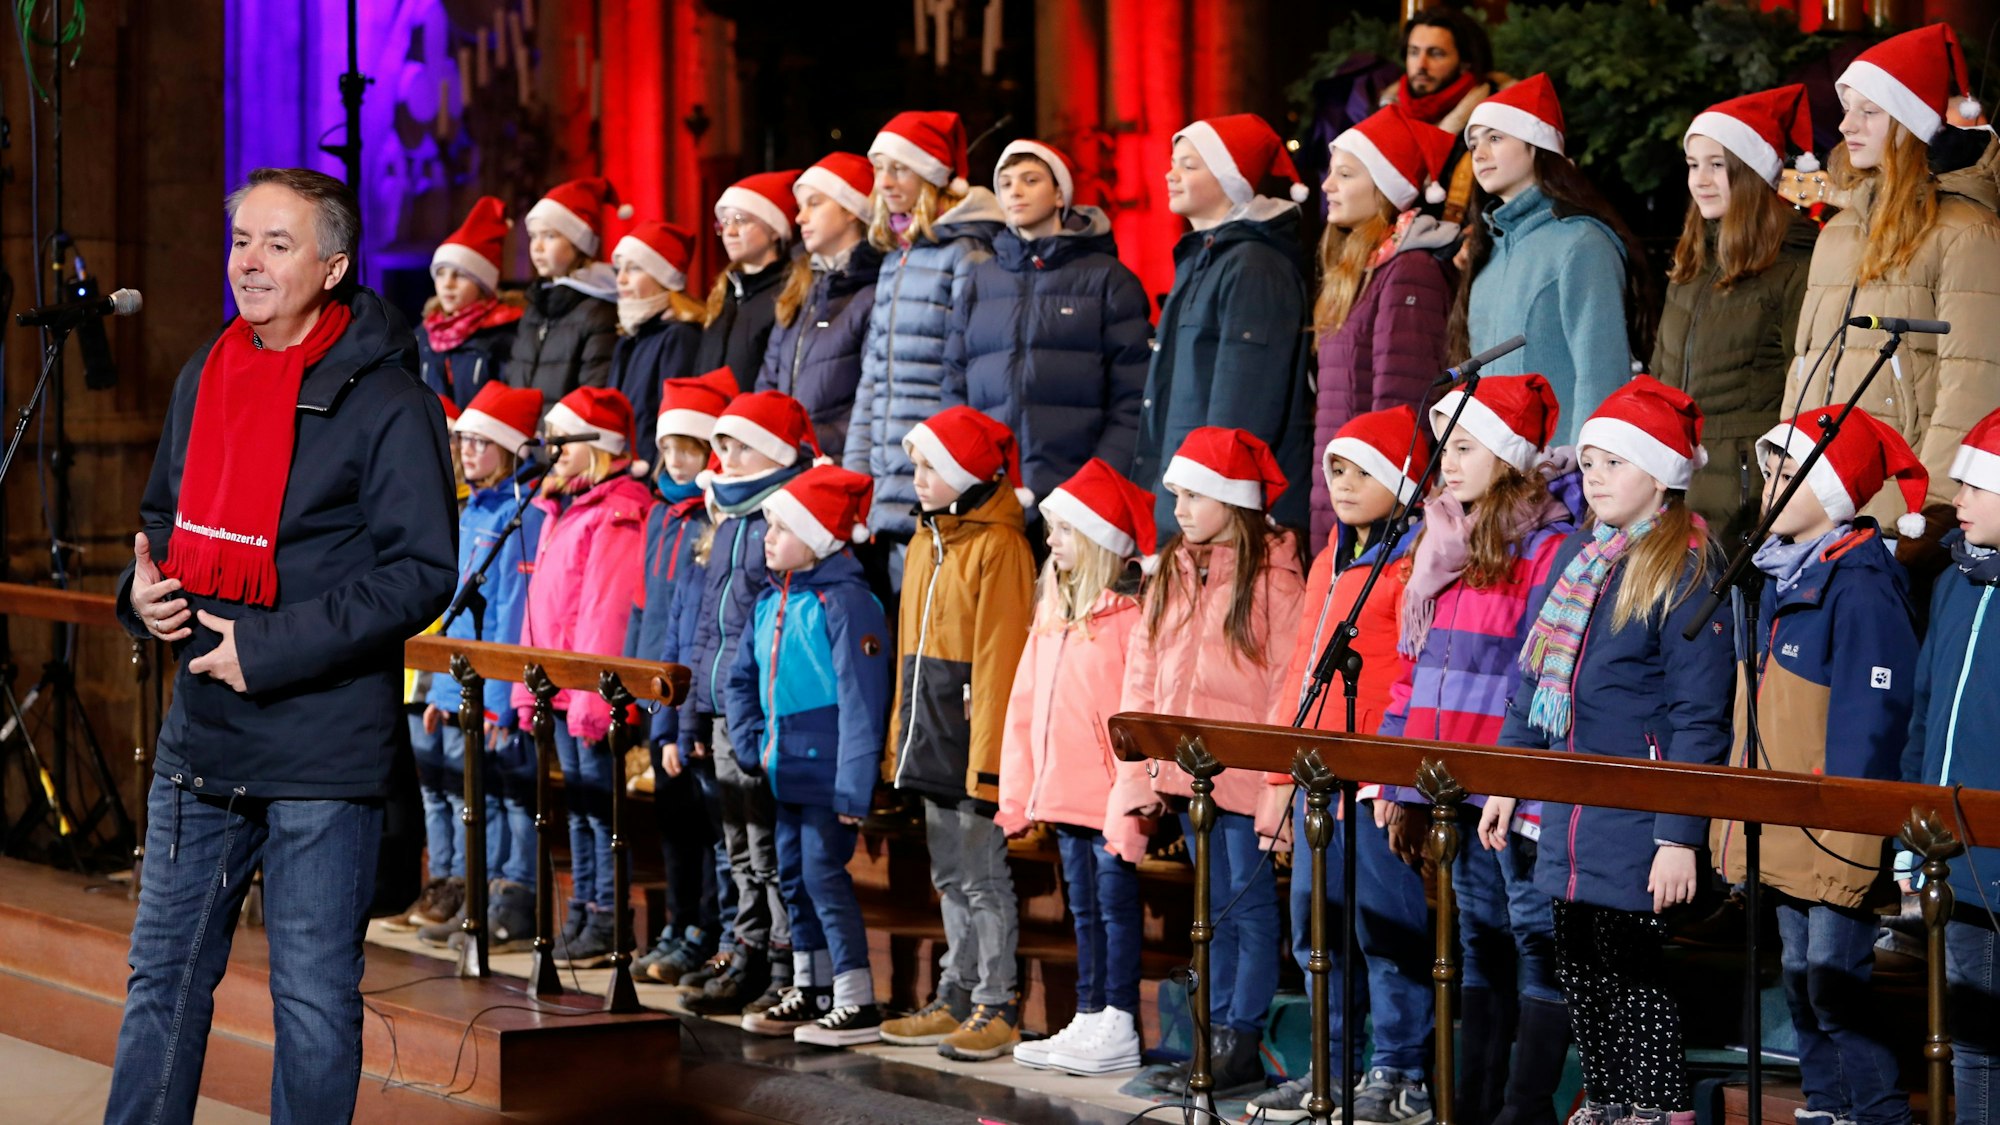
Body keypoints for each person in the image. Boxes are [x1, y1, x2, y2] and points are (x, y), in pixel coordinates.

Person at [111, 167, 457, 1123]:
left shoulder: (389, 402)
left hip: (322, 751)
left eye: (277, 244)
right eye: (241, 242)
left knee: (309, 1004)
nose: (249, 265)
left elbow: (422, 570)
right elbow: (158, 524)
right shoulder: (206, 373)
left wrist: (267, 648)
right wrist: (141, 594)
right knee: (162, 986)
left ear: (334, 265)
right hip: (202, 743)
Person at [1496, 377, 1735, 1125]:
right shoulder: (1582, 557)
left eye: (1614, 464)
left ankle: (1655, 1106)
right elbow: (1533, 678)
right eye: (1589, 463)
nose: (1594, 478)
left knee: (1632, 966)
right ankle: (1605, 1097)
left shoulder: (1686, 566)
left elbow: (1700, 718)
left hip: (1637, 812)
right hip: (1570, 808)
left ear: (1660, 473)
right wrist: (1506, 777)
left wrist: (1678, 835)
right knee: (1580, 963)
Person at [1711, 407, 1926, 1125]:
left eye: (1785, 469)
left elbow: (1873, 725)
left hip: (1832, 828)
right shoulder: (1777, 575)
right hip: (1788, 819)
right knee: (1802, 978)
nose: (1768, 483)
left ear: (1831, 491)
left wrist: (1851, 835)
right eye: (1766, 467)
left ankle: (1879, 1110)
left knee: (1835, 981)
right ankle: (1827, 1103)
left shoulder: (1861, 586)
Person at [1379, 374, 1578, 1125]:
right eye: (1445, 448)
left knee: (1532, 936)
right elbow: (1415, 671)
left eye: (1465, 447)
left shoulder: (1546, 545)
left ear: (1506, 453)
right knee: (1480, 938)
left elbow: (1541, 675)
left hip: (1509, 786)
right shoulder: (1442, 542)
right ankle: (1471, 1104)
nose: (1448, 464)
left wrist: (1515, 778)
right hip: (1448, 784)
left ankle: (1524, 1108)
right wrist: (1401, 783)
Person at [1250, 407, 1435, 1123]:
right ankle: (1330, 1065)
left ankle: (1400, 1070)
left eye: (1362, 471)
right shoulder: (1331, 557)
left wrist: (1399, 778)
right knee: (1315, 929)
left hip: (1374, 778)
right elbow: (1302, 666)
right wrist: (1276, 777)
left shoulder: (1414, 557)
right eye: (1335, 470)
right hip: (1315, 775)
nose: (1343, 484)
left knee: (1384, 930)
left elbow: (1414, 670)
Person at [1111, 426, 1306, 1098]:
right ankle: (1207, 1032)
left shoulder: (1273, 570)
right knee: (1207, 906)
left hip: (1246, 768)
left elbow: (1288, 676)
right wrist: (1142, 765)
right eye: (1176, 494)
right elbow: (1145, 665)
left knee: (1245, 909)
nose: (1181, 508)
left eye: (1195, 493)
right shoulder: (1173, 566)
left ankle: (1238, 1039)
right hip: (1189, 769)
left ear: (1232, 496)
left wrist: (1279, 776)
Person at [1791, 24, 2000, 555]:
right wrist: (1786, 472)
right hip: (1820, 506)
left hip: (1896, 520)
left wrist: (1929, 517)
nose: (1845, 124)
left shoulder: (1967, 231)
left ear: (1909, 123)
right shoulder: (1836, 232)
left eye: (1869, 110)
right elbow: (1806, 363)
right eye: (1846, 107)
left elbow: (1972, 385)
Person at [878, 406, 1036, 1061]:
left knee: (982, 875)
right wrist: (899, 740)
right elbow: (907, 654)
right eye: (915, 465)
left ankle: (996, 1001)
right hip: (930, 732)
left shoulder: (1000, 545)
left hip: (973, 739)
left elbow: (1001, 659)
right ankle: (957, 990)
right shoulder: (925, 540)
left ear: (967, 471)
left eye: (930, 466)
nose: (916, 477)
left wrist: (989, 760)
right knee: (950, 873)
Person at [997, 457, 1156, 1075]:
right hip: (1064, 794)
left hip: (1110, 797)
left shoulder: (1128, 620)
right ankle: (1090, 1015)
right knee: (1084, 909)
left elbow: (1135, 712)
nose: (1050, 541)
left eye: (1062, 531)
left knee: (1115, 909)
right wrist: (1019, 792)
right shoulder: (1052, 613)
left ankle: (1119, 1018)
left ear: (1094, 542)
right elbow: (1024, 706)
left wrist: (1133, 791)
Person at [725, 465, 893, 1046]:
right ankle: (811, 986)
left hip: (828, 773)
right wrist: (751, 744)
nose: (766, 538)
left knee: (824, 876)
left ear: (818, 538)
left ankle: (855, 996)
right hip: (782, 768)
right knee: (791, 877)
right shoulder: (770, 602)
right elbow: (739, 679)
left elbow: (861, 700)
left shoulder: (848, 604)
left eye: (780, 527)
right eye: (767, 526)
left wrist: (853, 788)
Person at [675, 391, 821, 1016]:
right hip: (718, 708)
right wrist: (691, 714)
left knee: (766, 846)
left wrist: (751, 713)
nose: (723, 456)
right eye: (722, 444)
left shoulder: (785, 523)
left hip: (757, 712)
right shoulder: (729, 520)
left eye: (738, 445)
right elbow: (706, 627)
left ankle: (784, 963)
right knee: (734, 843)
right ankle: (746, 947)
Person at [509, 387, 655, 967]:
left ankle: (606, 916)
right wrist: (528, 684)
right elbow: (539, 605)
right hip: (561, 687)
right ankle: (582, 909)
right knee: (582, 807)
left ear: (601, 446)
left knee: (602, 809)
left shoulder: (618, 509)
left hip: (590, 692)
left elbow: (606, 609)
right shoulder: (560, 506)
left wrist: (596, 698)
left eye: (563, 440)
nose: (553, 450)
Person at [942, 138, 1151, 517]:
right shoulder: (980, 281)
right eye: (1005, 183)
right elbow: (955, 385)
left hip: (1080, 500)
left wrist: (1100, 480)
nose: (1015, 191)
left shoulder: (1107, 280)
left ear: (1059, 195)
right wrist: (967, 471)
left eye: (1030, 180)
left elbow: (1134, 395)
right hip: (993, 496)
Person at [1129, 114, 1316, 532]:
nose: (1170, 175)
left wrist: (1207, 507)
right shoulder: (1204, 258)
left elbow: (1243, 404)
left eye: (1190, 165)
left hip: (1219, 518)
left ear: (1230, 179)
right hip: (1189, 503)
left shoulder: (1254, 266)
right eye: (1174, 162)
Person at [845, 111, 1006, 587]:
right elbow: (873, 377)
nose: (885, 182)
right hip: (886, 481)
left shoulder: (966, 253)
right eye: (878, 169)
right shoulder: (896, 256)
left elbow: (965, 371)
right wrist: (857, 475)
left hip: (932, 478)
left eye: (900, 168)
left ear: (932, 177)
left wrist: (945, 468)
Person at [418, 382, 549, 952]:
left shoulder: (525, 516)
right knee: (479, 796)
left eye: (480, 442)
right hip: (461, 682)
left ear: (511, 448)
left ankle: (514, 896)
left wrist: (498, 698)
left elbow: (510, 616)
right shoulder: (476, 509)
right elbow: (457, 607)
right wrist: (442, 695)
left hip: (499, 687)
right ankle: (480, 890)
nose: (467, 452)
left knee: (511, 794)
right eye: (464, 441)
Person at [1452, 74, 1654, 443]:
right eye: (1474, 144)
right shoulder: (1488, 254)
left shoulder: (1581, 242)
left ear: (1536, 146)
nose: (1479, 154)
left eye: (1495, 139)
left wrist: (1584, 474)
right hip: (1496, 479)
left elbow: (1601, 371)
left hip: (1557, 478)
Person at [1654, 87, 1818, 528]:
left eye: (1717, 165)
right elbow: (1660, 377)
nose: (1700, 180)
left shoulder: (1793, 264)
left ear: (1750, 173)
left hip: (1746, 492)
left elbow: (1804, 390)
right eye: (1693, 165)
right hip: (1675, 481)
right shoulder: (1692, 261)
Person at [626, 368, 740, 984]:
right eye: (666, 448)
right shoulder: (660, 516)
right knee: (673, 822)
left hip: (696, 693)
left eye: (686, 450)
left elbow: (701, 626)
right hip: (657, 690)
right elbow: (647, 607)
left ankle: (710, 929)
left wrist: (682, 714)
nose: (672, 461)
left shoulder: (712, 519)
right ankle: (680, 922)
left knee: (710, 824)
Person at [1902, 406, 2000, 1125]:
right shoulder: (1953, 584)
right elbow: (1925, 709)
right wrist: (1906, 814)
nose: (1956, 501)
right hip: (1956, 852)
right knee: (1971, 1037)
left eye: (1974, 486)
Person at [1308, 107, 1459, 551]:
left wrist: (1378, 513)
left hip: (1376, 513)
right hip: (1345, 495)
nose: (1327, 186)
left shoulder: (1409, 271)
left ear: (1383, 189)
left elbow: (1401, 408)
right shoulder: (1359, 271)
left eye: (1346, 175)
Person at [757, 153, 884, 461]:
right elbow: (768, 382)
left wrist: (815, 446)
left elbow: (872, 399)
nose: (800, 217)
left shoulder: (874, 291)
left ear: (851, 210)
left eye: (814, 203)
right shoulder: (801, 289)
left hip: (835, 465)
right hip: (787, 465)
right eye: (800, 207)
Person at [1378, 6, 1504, 224]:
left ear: (1465, 63)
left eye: (1436, 53)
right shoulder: (1387, 113)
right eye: (1413, 52)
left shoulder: (1493, 122)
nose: (1421, 65)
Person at [514, 177, 629, 406]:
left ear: (579, 244)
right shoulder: (535, 307)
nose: (537, 247)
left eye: (550, 236)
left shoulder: (599, 312)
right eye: (534, 236)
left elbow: (592, 392)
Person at [418, 195, 523, 411]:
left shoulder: (506, 336)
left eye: (460, 275)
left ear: (482, 285)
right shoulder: (423, 335)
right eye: (441, 274)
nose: (448, 284)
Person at [610, 220, 705, 457]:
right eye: (618, 269)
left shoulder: (679, 336)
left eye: (633, 268)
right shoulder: (629, 337)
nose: (621, 279)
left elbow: (670, 420)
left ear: (663, 278)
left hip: (650, 476)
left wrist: (653, 476)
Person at [697, 171, 800, 379]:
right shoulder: (724, 293)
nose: (730, 232)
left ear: (774, 231)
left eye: (740, 220)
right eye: (724, 223)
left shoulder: (789, 293)